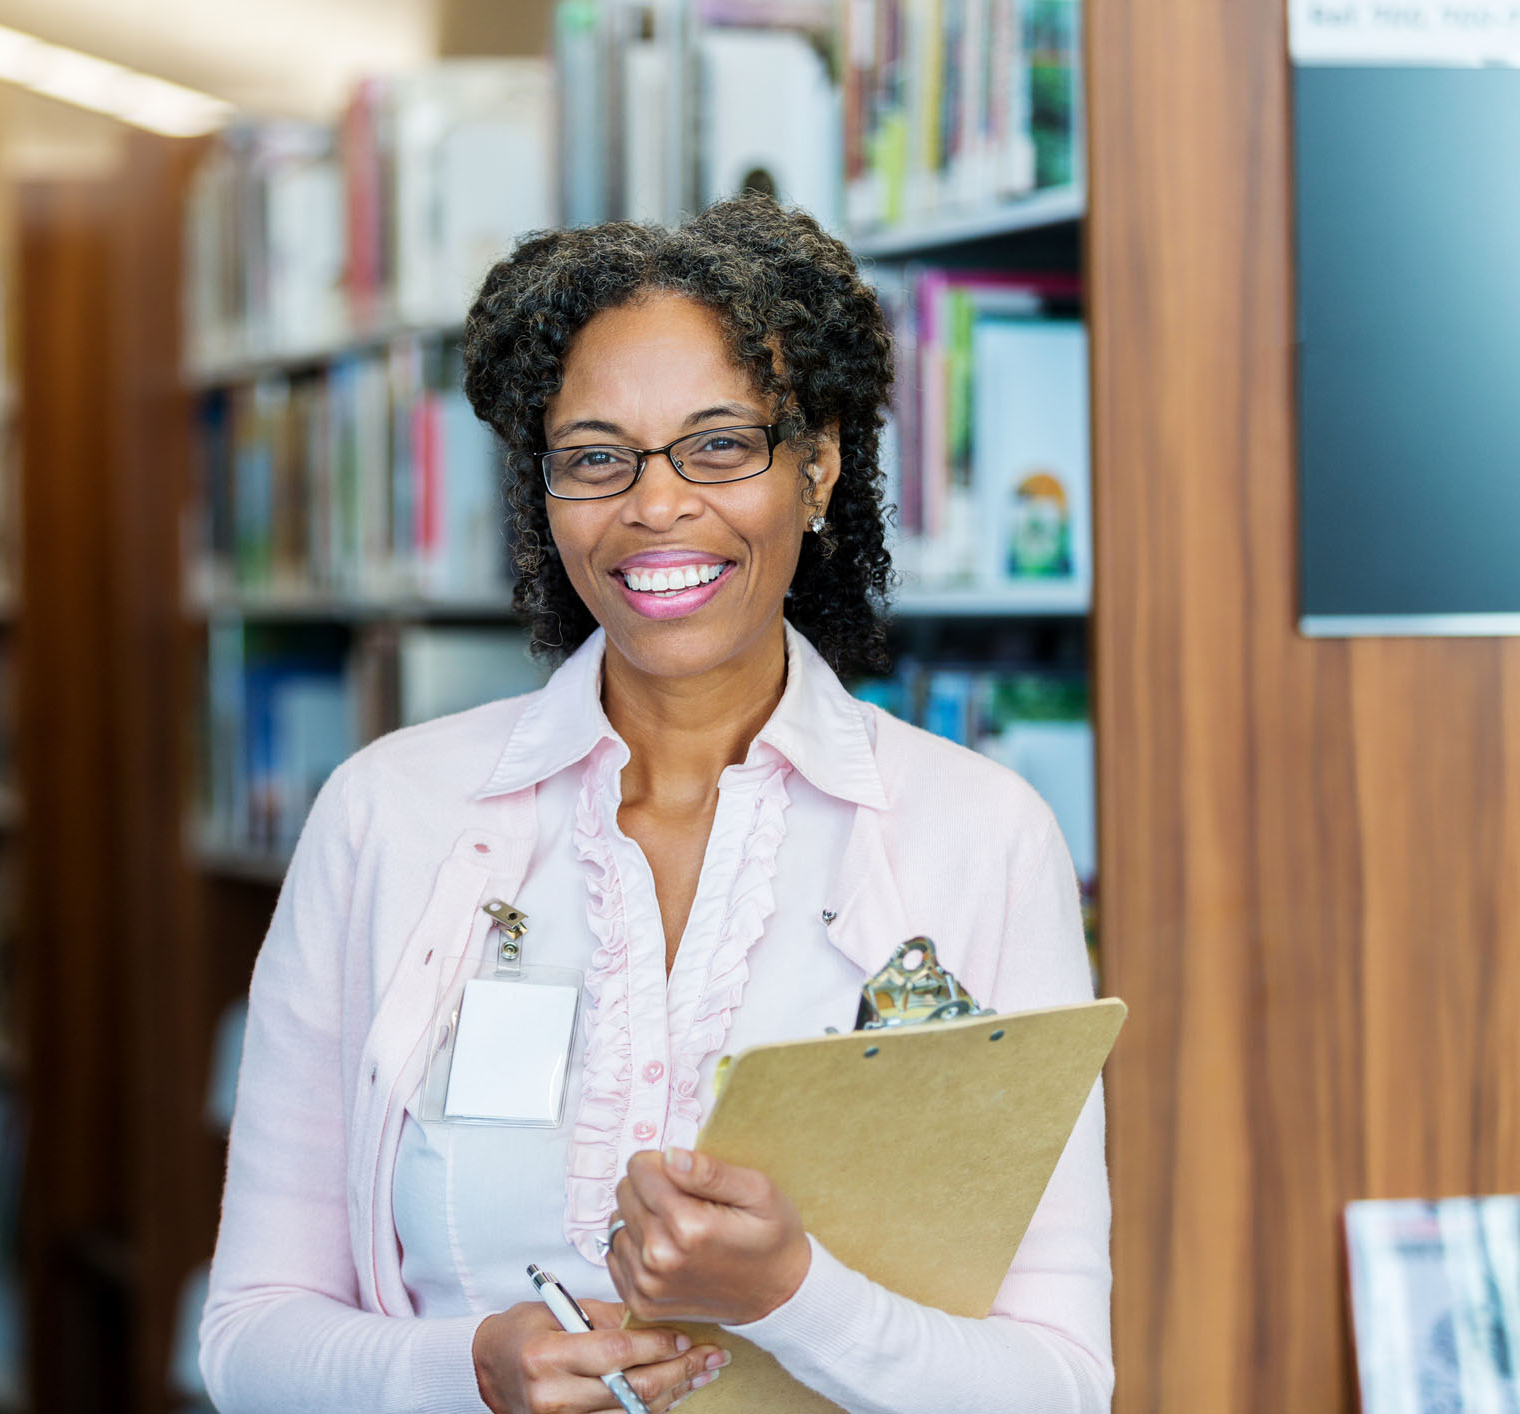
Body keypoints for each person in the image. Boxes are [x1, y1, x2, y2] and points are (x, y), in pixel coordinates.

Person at [199, 195, 1109, 1414]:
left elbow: (1056, 1384)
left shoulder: (979, 836)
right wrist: (462, 1369)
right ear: (548, 493)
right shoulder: (387, 817)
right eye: (595, 456)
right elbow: (249, 1337)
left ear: (820, 462)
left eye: (721, 444)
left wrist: (793, 1292)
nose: (657, 504)